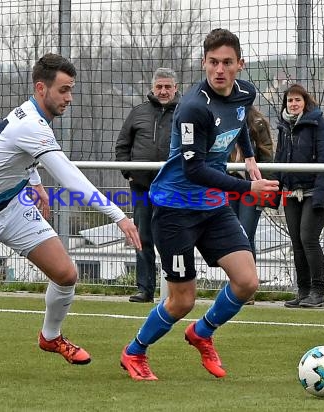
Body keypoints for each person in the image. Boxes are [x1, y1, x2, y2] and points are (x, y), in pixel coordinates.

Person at [0, 53, 141, 372]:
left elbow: (13, 156)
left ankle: (50, 336)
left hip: (14, 207)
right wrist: (119, 216)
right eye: (63, 90)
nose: (69, 98)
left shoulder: (32, 118)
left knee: (66, 274)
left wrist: (35, 181)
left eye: (71, 90)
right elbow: (69, 176)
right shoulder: (32, 125)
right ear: (41, 88)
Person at [119, 28, 279, 381]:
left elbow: (239, 124)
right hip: (176, 209)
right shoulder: (192, 107)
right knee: (182, 300)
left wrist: (249, 157)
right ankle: (134, 352)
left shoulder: (245, 93)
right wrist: (247, 187)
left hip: (213, 207)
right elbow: (195, 169)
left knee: (246, 281)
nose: (219, 69)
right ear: (203, 63)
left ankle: (202, 332)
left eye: (226, 62)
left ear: (240, 65)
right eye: (212, 62)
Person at [115, 68, 180, 303]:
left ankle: (176, 289)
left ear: (175, 88)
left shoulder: (184, 113)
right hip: (142, 187)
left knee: (173, 238)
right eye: (159, 87)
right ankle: (145, 289)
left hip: (173, 189)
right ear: (153, 88)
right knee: (142, 237)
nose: (163, 91)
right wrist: (128, 172)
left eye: (167, 87)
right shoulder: (138, 112)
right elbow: (122, 146)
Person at [272, 83, 324, 309]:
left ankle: (318, 292)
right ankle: (303, 291)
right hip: (291, 192)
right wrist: (274, 193)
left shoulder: (319, 125)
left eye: (298, 100)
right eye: (290, 100)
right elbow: (279, 161)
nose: (293, 104)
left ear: (305, 102)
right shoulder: (283, 128)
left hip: (316, 192)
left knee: (308, 239)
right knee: (297, 243)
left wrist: (320, 196)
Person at [228, 106, 274, 260]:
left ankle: (247, 280)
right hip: (230, 184)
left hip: (252, 185)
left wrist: (263, 186)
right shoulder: (222, 121)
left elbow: (267, 156)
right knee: (233, 236)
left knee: (245, 234)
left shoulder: (257, 124)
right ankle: (238, 280)